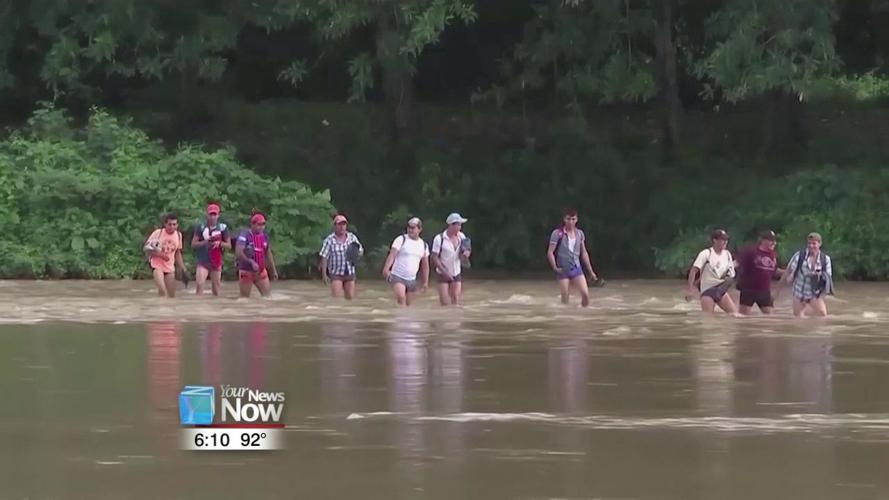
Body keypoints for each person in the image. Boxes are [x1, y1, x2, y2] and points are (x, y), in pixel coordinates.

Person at [546, 208, 599, 307]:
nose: (571, 222)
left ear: (577, 220)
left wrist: (591, 272)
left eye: (573, 219)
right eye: (568, 219)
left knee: (585, 295)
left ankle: (583, 314)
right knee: (565, 297)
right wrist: (555, 268)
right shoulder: (557, 233)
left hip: (576, 268)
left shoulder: (580, 234)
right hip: (563, 269)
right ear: (564, 219)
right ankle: (566, 317)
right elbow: (550, 252)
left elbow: (584, 253)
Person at [686, 229, 738, 314]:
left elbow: (730, 274)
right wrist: (689, 290)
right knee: (708, 320)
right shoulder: (706, 253)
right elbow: (693, 271)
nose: (725, 242)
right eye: (722, 240)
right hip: (707, 291)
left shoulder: (727, 254)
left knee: (735, 314)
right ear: (715, 240)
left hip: (721, 290)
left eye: (726, 240)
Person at [783, 232, 834, 317]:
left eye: (814, 243)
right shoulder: (799, 255)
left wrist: (818, 275)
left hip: (814, 293)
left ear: (819, 244)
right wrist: (790, 277)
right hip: (799, 292)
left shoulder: (825, 259)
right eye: (809, 243)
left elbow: (828, 276)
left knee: (822, 315)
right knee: (798, 318)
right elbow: (789, 271)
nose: (811, 246)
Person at [382, 216, 430, 306]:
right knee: (401, 298)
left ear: (419, 229)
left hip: (412, 279)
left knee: (409, 306)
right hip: (398, 276)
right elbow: (392, 255)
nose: (410, 230)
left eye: (413, 228)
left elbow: (425, 266)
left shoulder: (424, 245)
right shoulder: (401, 239)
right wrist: (386, 269)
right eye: (409, 227)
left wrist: (425, 282)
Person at [734, 230, 785, 315]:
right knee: (743, 318)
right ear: (762, 240)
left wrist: (788, 271)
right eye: (770, 240)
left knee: (771, 319)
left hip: (764, 291)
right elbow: (736, 263)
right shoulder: (751, 252)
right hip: (748, 290)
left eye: (774, 240)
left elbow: (774, 271)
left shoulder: (773, 255)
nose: (773, 243)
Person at [319, 213, 364, 300]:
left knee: (350, 299)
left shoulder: (352, 238)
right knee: (336, 299)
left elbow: (360, 250)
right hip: (336, 273)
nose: (342, 227)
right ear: (335, 226)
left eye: (344, 224)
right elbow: (324, 257)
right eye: (339, 224)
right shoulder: (329, 240)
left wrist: (357, 254)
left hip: (350, 272)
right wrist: (324, 275)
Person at [143, 212, 189, 298]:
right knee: (162, 290)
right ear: (165, 224)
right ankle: (160, 310)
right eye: (169, 224)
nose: (172, 227)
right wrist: (160, 255)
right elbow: (146, 248)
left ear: (177, 225)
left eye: (174, 224)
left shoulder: (178, 235)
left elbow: (178, 253)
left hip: (170, 268)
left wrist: (183, 268)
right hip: (157, 266)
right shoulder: (158, 233)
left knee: (171, 296)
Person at [235, 212, 279, 298]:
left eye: (263, 224)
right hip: (246, 271)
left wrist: (273, 270)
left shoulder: (264, 236)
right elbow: (238, 252)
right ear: (252, 224)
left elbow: (268, 253)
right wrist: (251, 262)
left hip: (261, 271)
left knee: (268, 298)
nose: (261, 227)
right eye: (259, 224)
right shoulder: (245, 235)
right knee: (244, 299)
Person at [431, 212, 471, 306]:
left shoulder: (462, 236)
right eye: (459, 225)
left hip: (456, 271)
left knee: (455, 300)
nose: (460, 227)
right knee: (445, 303)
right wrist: (445, 272)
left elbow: (466, 250)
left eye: (460, 225)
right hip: (443, 273)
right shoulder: (439, 238)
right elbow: (434, 257)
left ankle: (455, 319)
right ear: (451, 225)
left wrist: (466, 254)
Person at [191, 203, 231, 296]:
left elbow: (229, 245)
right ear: (207, 215)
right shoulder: (200, 227)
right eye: (211, 214)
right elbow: (193, 244)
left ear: (218, 215)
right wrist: (205, 242)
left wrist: (220, 243)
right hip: (203, 260)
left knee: (216, 289)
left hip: (216, 261)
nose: (213, 217)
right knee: (199, 285)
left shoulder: (223, 228)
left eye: (215, 214)